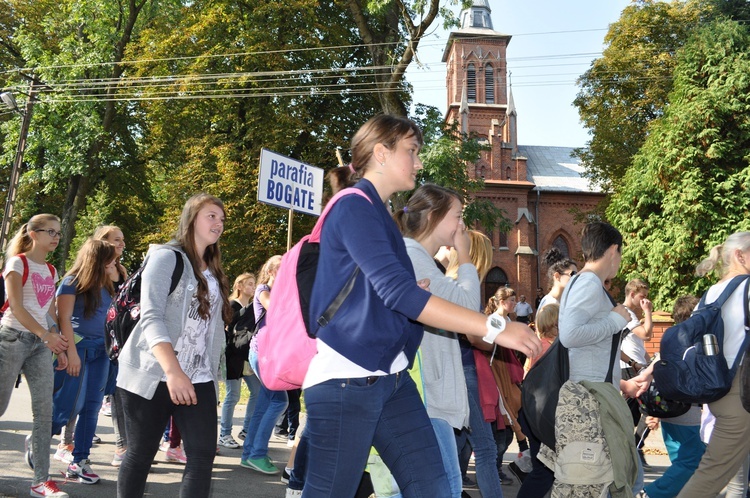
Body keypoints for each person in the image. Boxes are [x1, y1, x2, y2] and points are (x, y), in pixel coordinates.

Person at [302, 114, 541, 497]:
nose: (419, 162)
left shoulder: (379, 215)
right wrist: (495, 326)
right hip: (346, 381)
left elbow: (390, 294)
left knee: (432, 488)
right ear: (381, 153)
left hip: (393, 380)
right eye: (412, 151)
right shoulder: (354, 206)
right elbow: (400, 295)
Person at [116, 193, 232, 498]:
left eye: (221, 219)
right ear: (192, 218)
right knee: (141, 454)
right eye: (211, 216)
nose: (218, 223)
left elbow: (213, 330)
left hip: (198, 377)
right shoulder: (166, 257)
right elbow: (151, 317)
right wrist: (173, 371)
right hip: (155, 372)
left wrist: (212, 375)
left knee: (203, 455)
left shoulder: (214, 270)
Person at [394, 183, 477, 497]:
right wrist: (465, 254)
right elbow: (467, 308)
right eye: (457, 216)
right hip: (428, 398)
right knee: (445, 489)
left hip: (429, 396)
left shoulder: (420, 259)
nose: (461, 225)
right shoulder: (414, 257)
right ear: (432, 216)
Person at [557, 221, 644, 495]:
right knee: (613, 482)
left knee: (619, 479)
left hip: (595, 397)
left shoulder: (584, 282)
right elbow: (569, 336)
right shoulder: (588, 284)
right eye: (620, 254)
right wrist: (614, 320)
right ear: (613, 250)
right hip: (592, 403)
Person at [674, 232, 750, 497]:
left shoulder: (711, 293)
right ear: (740, 255)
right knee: (711, 475)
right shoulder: (747, 288)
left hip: (718, 391)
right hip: (740, 394)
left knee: (730, 476)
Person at [0, 214, 69, 498]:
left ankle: (41, 481)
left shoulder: (51, 270)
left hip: (41, 346)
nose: (55, 237)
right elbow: (16, 306)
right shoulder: (18, 263)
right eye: (50, 231)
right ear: (33, 233)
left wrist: (58, 343)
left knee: (44, 413)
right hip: (12, 340)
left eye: (58, 232)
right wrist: (46, 335)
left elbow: (48, 310)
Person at [51, 238, 116, 485]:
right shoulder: (71, 282)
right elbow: (63, 318)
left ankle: (79, 461)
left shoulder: (107, 285)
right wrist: (72, 353)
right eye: (110, 258)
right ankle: (40, 438)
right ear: (98, 260)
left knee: (92, 407)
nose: (114, 262)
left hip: (102, 352)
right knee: (70, 406)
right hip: (79, 350)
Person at [448, 230, 507, 497]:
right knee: (485, 448)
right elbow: (474, 336)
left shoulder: (445, 281)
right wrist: (498, 338)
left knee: (456, 443)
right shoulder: (465, 287)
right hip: (463, 370)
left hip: (449, 372)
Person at [641, 295, 704, 498]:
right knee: (691, 462)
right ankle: (652, 493)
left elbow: (652, 369)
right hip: (690, 413)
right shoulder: (696, 343)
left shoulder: (670, 339)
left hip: (668, 410)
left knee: (680, 463)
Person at [240, 255, 288, 475]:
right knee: (279, 401)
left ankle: (248, 454)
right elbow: (274, 307)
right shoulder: (262, 290)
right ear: (270, 272)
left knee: (264, 404)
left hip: (267, 354)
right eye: (281, 269)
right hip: (264, 354)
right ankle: (257, 453)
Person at [484, 287, 528, 483]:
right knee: (503, 424)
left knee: (507, 424)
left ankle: (496, 468)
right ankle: (494, 470)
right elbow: (489, 347)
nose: (514, 303)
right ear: (502, 302)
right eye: (511, 300)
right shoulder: (494, 320)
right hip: (496, 375)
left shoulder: (508, 320)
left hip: (506, 374)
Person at [516, 303, 559, 497]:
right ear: (555, 323)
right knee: (545, 472)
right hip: (539, 417)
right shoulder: (547, 348)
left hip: (535, 415)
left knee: (545, 470)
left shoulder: (543, 345)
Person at [94, 225, 129, 467]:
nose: (121, 244)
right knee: (89, 395)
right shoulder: (94, 271)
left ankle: (122, 446)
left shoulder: (122, 270)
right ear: (103, 242)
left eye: (122, 240)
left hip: (119, 341)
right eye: (116, 240)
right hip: (95, 341)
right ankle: (68, 440)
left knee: (118, 393)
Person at [218, 272, 261, 449]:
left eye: (253, 284)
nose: (253, 287)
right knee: (233, 395)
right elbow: (225, 327)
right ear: (239, 286)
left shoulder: (252, 306)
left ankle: (246, 429)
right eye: (249, 284)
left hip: (245, 355)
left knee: (257, 391)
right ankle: (224, 434)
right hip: (232, 356)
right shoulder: (232, 305)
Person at [618, 278, 654, 470]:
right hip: (628, 369)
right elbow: (647, 335)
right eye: (642, 296)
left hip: (635, 367)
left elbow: (638, 345)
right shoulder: (627, 314)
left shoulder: (629, 314)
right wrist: (648, 312)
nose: (645, 301)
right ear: (632, 294)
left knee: (645, 410)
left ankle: (634, 446)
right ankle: (632, 449)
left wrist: (647, 363)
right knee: (632, 413)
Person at [537, 247, 578, 312]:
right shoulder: (550, 305)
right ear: (557, 276)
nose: (576, 278)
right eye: (573, 274)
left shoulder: (558, 302)